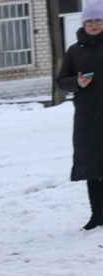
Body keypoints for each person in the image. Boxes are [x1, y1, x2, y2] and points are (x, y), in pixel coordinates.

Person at [57, 0, 103, 230]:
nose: (94, 25)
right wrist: (77, 83)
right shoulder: (75, 51)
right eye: (89, 21)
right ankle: (97, 215)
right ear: (83, 24)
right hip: (87, 118)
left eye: (98, 20)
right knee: (92, 169)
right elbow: (61, 81)